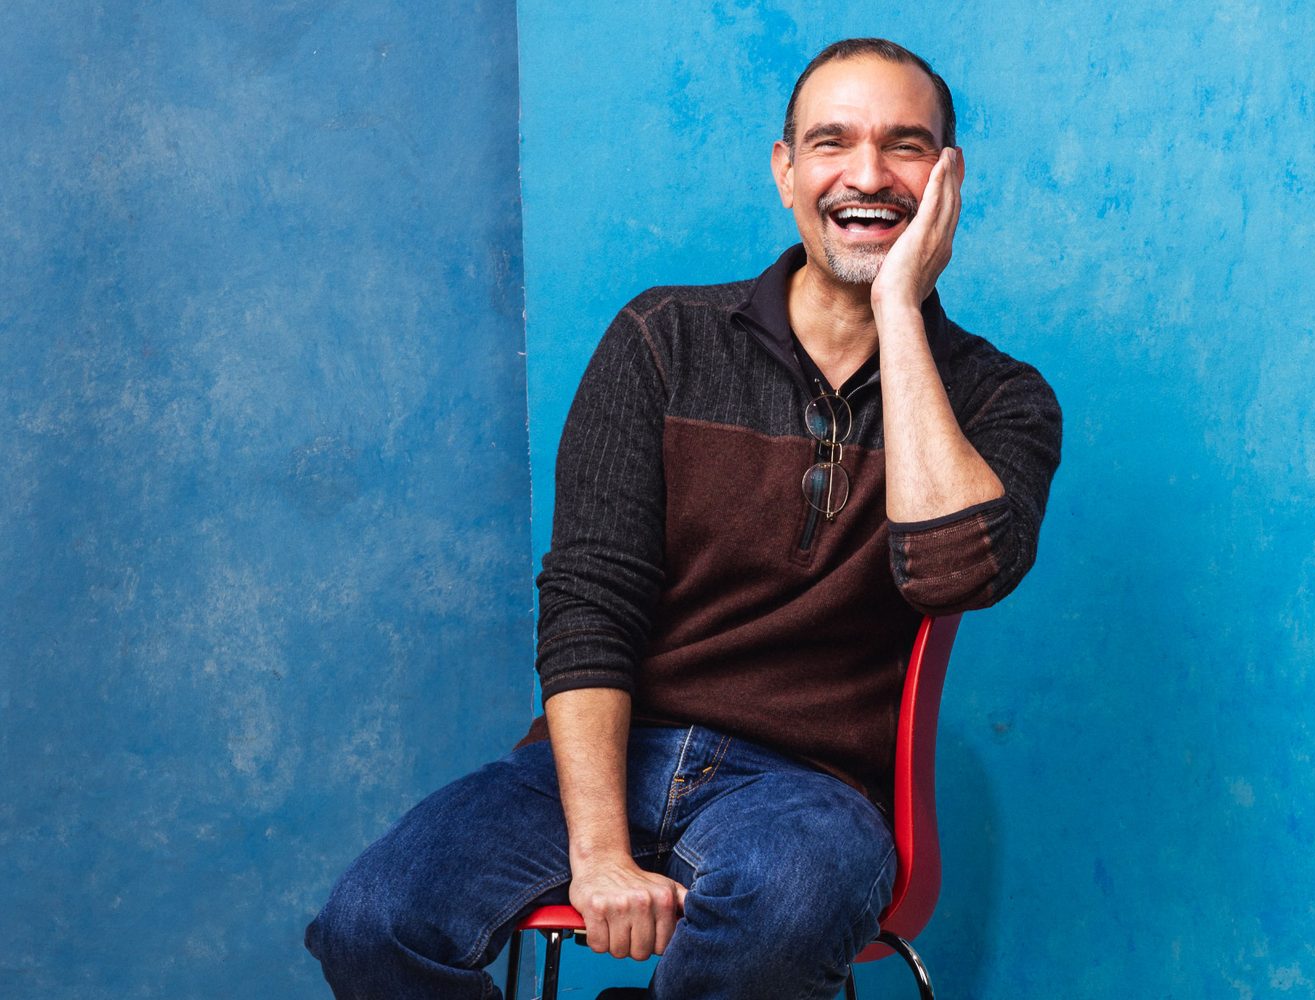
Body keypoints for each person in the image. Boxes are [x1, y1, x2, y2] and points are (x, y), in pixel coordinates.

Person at [305, 37, 1061, 1000]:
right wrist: (602, 853)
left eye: (905, 147)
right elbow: (589, 603)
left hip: (810, 790)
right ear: (785, 169)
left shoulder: (1002, 400)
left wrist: (901, 311)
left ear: (948, 180)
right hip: (606, 754)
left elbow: (951, 573)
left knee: (784, 906)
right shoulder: (661, 342)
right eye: (833, 143)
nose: (867, 175)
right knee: (373, 925)